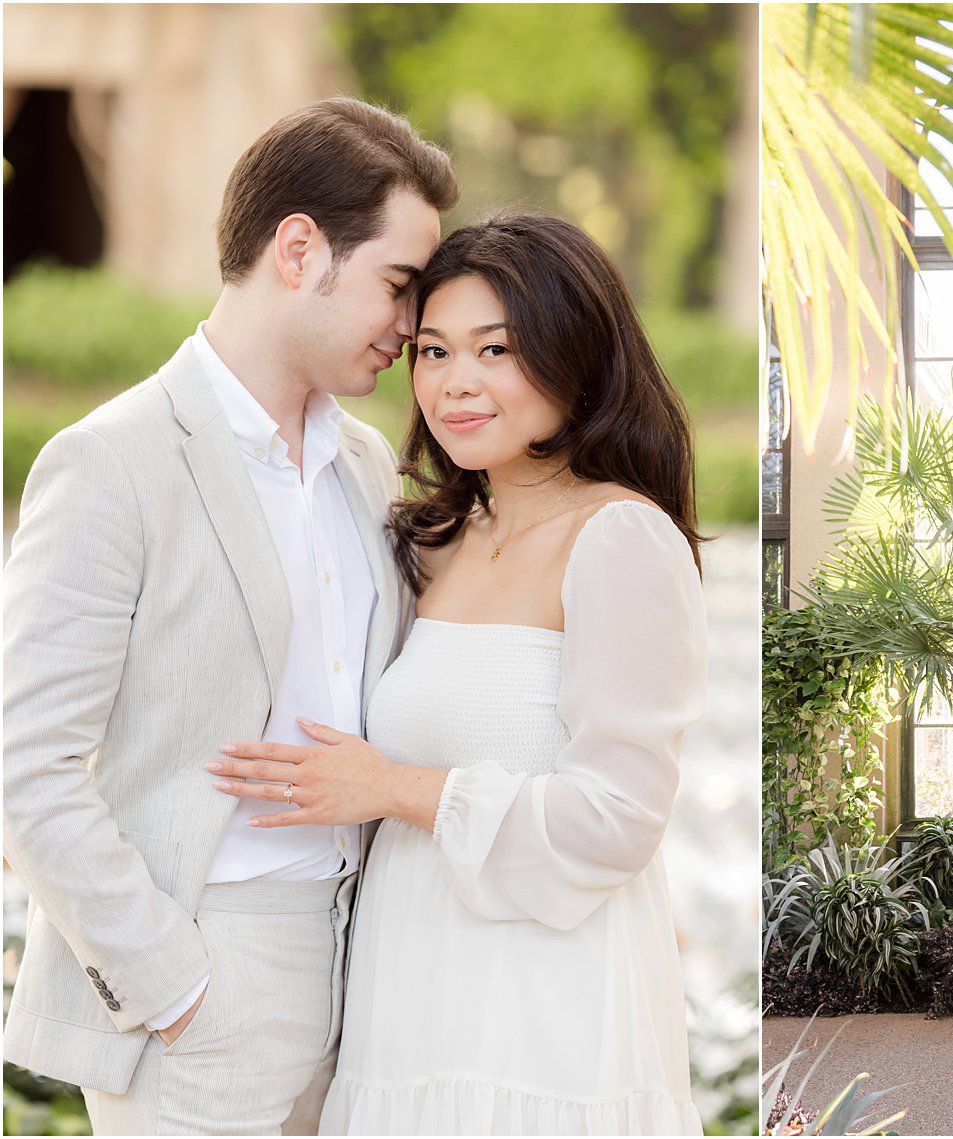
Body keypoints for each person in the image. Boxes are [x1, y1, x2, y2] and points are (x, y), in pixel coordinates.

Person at [2, 98, 457, 1135]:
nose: (410, 325)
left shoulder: (365, 461)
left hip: (361, 967)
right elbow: (26, 763)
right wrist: (173, 984)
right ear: (298, 250)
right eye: (397, 285)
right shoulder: (112, 459)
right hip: (204, 972)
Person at [207, 213, 708, 1135]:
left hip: (542, 1017)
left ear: (576, 354)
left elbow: (619, 818)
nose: (455, 382)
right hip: (406, 1005)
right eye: (433, 350)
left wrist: (393, 787)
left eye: (497, 349)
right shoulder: (432, 541)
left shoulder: (621, 540)